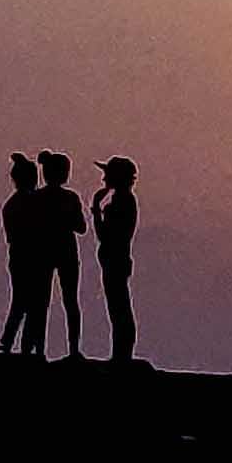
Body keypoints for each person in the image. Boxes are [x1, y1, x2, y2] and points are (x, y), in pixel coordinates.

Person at [37, 150, 87, 359]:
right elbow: (81, 227)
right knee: (70, 302)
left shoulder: (38, 198)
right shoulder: (71, 197)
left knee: (41, 302)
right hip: (66, 251)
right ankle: (74, 350)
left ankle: (39, 350)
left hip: (43, 251)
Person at [92, 156, 139, 364]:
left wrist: (95, 208)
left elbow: (104, 234)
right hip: (116, 259)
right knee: (119, 307)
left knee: (118, 308)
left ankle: (121, 356)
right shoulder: (125, 200)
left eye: (108, 174)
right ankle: (121, 354)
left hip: (114, 260)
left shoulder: (122, 202)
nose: (104, 178)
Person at [0, 152, 46, 356]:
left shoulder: (11, 204)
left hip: (18, 258)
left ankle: (10, 343)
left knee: (21, 302)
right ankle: (23, 346)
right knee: (31, 303)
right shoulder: (32, 202)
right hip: (30, 258)